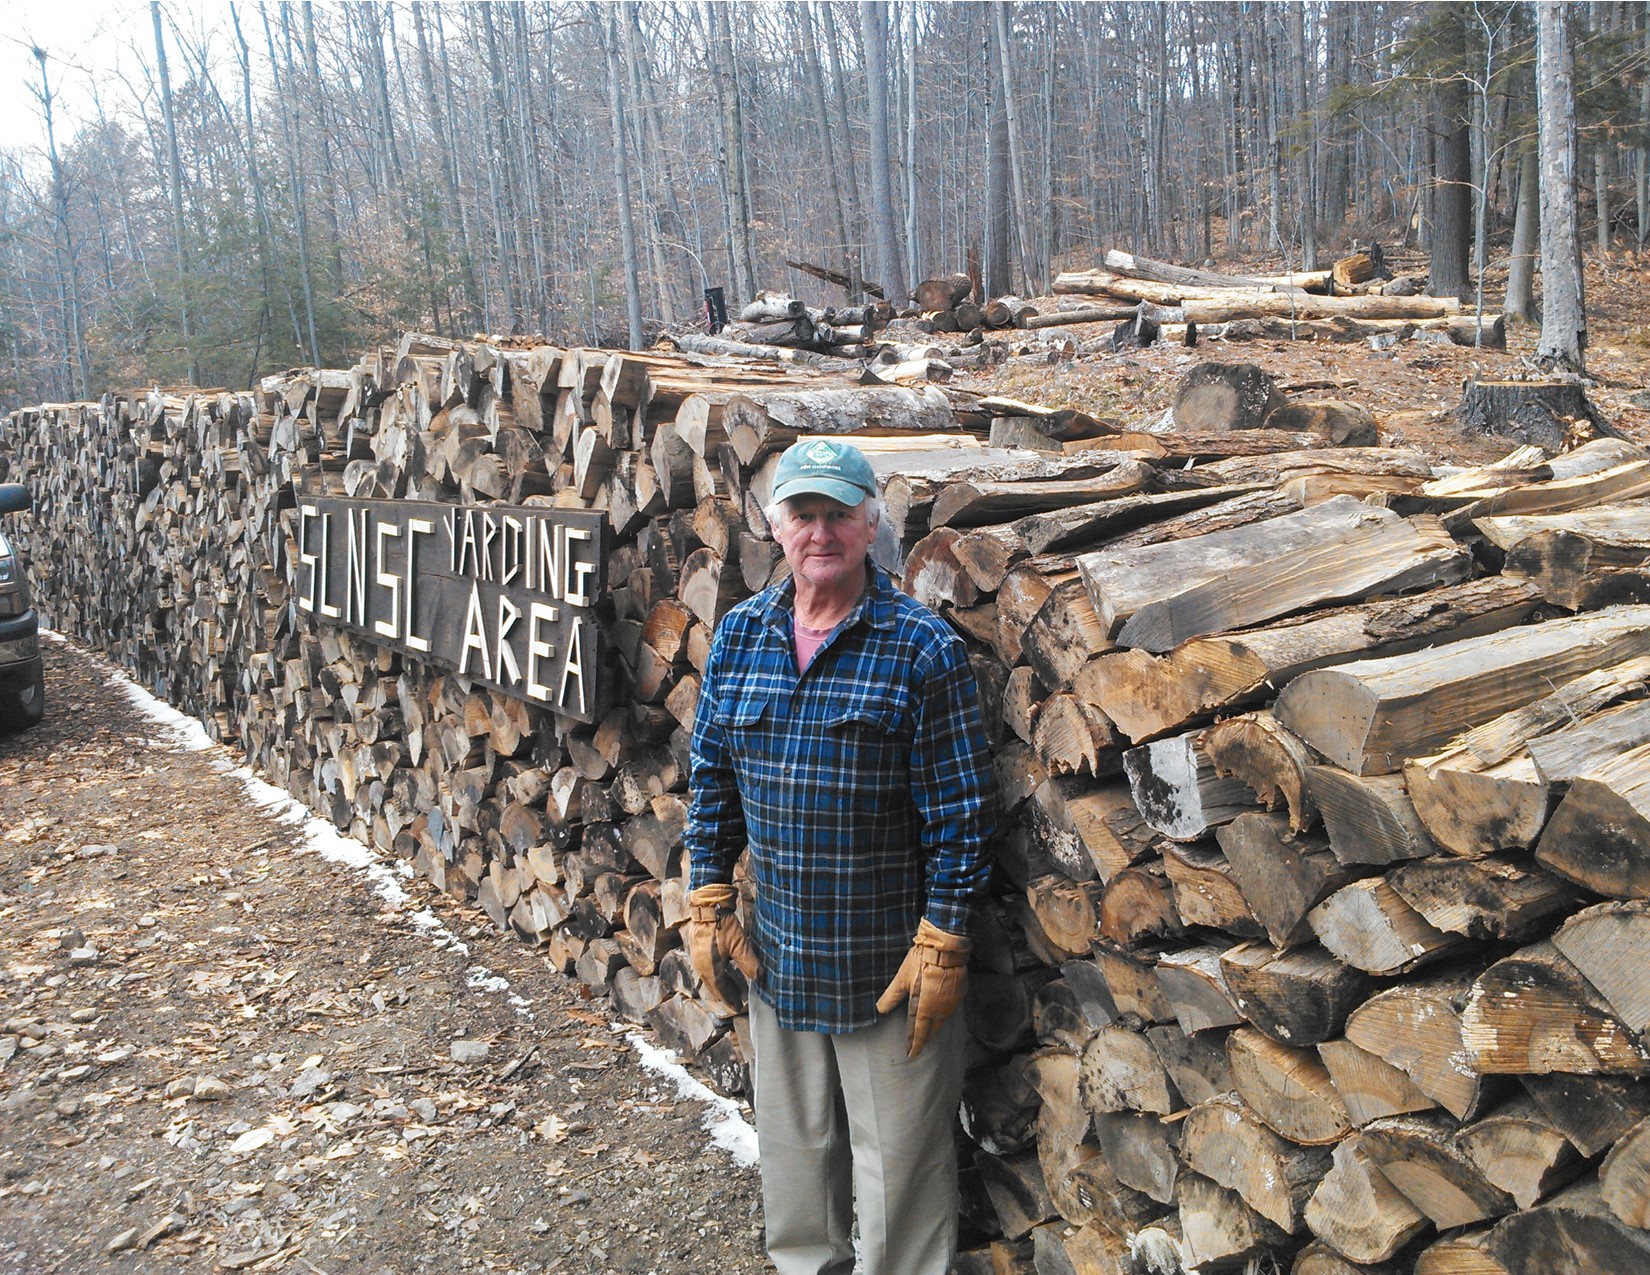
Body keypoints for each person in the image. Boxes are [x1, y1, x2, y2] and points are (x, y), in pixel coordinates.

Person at [685, 437, 997, 1275]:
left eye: (837, 515)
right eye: (802, 515)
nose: (818, 532)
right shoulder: (743, 634)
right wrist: (708, 893)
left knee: (898, 1180)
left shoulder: (920, 649)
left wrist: (944, 936)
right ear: (776, 527)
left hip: (888, 965)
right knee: (797, 1165)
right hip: (778, 955)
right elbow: (711, 775)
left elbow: (963, 815)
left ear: (868, 526)